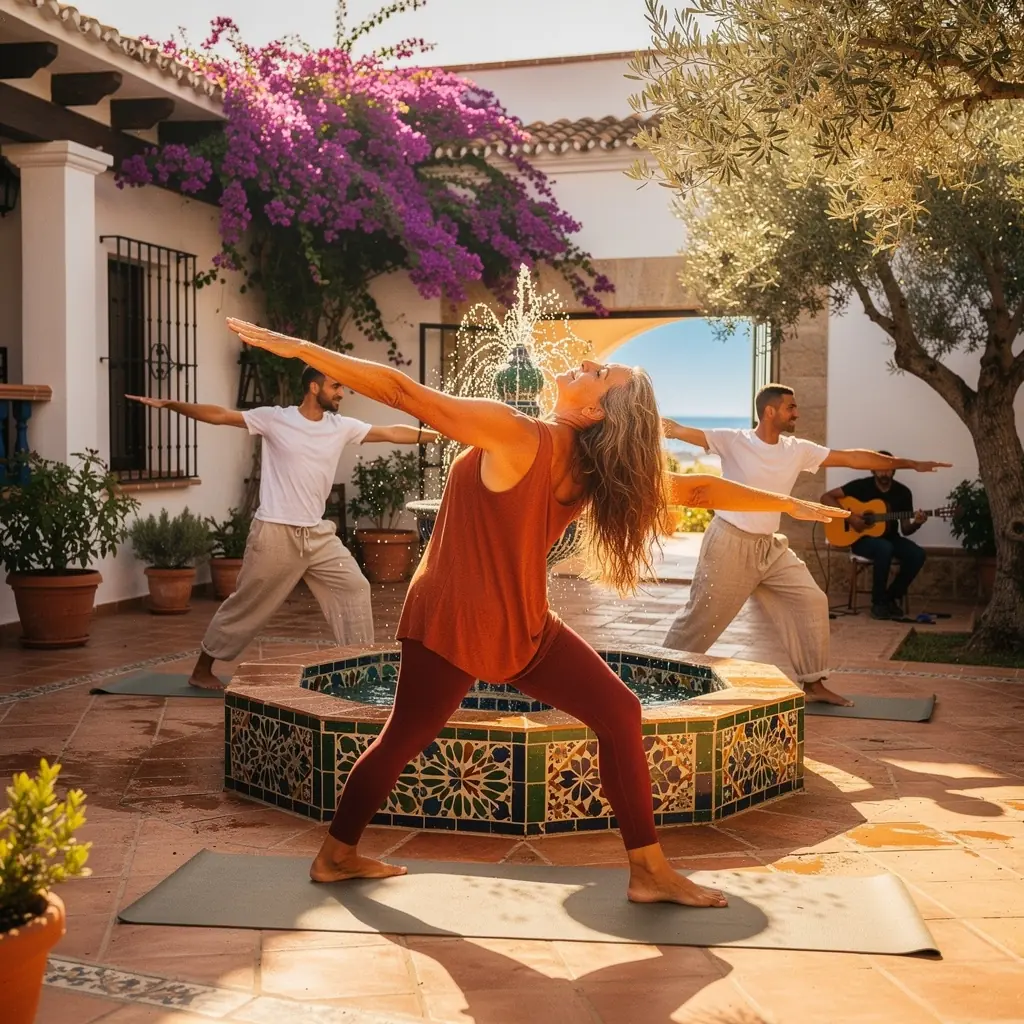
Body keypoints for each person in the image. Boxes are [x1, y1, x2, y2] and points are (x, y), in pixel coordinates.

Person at [227, 317, 846, 908]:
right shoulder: (588, 467)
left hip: (476, 617)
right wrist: (791, 506)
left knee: (457, 732)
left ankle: (649, 872)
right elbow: (699, 492)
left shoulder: (521, 434)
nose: (584, 362)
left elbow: (403, 391)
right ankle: (339, 855)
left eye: (599, 371)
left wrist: (301, 349)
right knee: (423, 736)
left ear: (596, 409)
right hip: (501, 622)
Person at [127, 367, 439, 690]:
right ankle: (202, 668)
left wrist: (438, 434)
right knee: (247, 603)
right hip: (275, 533)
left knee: (354, 587)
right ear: (313, 387)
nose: (341, 393)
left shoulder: (340, 427)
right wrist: (171, 405)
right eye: (336, 386)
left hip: (317, 536)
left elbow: (390, 433)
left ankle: (361, 667)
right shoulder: (276, 419)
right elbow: (221, 415)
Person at [661, 384, 950, 707]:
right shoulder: (732, 440)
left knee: (812, 600)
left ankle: (813, 683)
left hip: (770, 547)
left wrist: (910, 464)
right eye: (791, 407)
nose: (796, 413)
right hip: (730, 542)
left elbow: (853, 458)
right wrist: (643, 420)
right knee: (701, 620)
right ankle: (657, 677)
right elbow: (679, 430)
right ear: (770, 411)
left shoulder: (796, 449)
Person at [820, 452, 929, 619]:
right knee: (884, 548)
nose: (884, 473)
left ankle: (890, 597)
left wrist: (917, 523)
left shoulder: (903, 493)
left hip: (891, 537)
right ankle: (878, 604)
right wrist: (850, 517)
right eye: (880, 469)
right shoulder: (860, 487)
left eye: (888, 469)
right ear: (872, 470)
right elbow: (826, 497)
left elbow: (906, 529)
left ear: (893, 470)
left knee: (917, 554)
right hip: (861, 538)